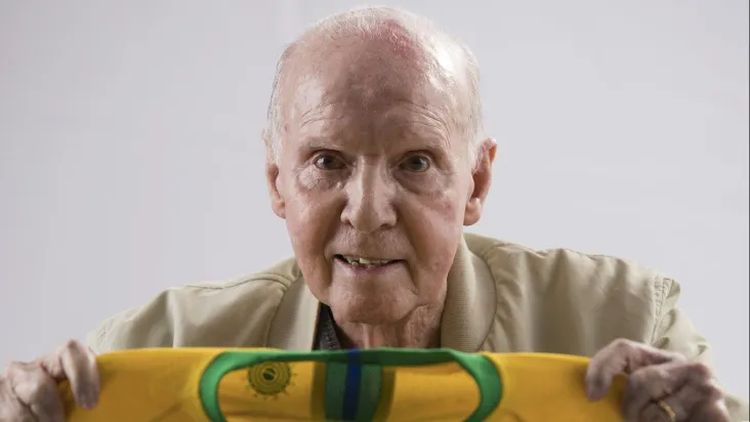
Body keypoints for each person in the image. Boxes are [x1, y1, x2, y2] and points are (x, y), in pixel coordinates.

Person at [0, 6, 746, 422]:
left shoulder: (625, 324)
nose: (366, 212)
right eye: (327, 162)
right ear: (277, 181)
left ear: (477, 181)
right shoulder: (152, 352)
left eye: (415, 163)